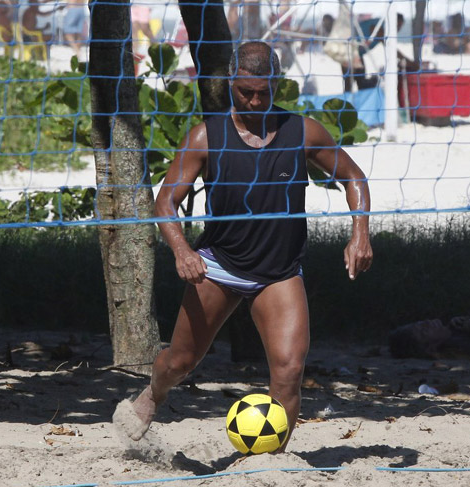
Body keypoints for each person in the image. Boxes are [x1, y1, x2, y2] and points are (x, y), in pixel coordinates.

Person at [113, 42, 373, 449]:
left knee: (288, 370)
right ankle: (152, 395)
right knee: (179, 362)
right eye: (245, 92)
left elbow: (354, 178)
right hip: (218, 265)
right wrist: (182, 250)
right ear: (230, 83)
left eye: (264, 92)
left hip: (279, 271)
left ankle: (271, 458)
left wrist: (360, 232)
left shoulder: (302, 131)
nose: (254, 100)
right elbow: (165, 201)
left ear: (278, 85)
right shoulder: (205, 137)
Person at [338, 13, 419, 93]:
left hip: (357, 55)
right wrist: (410, 62)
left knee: (361, 85)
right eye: (397, 26)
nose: (398, 29)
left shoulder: (383, 29)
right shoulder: (377, 27)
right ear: (391, 21)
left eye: (400, 27)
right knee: (350, 86)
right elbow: (390, 48)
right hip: (348, 54)